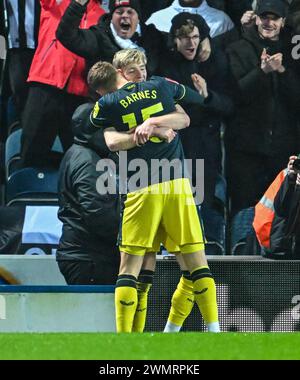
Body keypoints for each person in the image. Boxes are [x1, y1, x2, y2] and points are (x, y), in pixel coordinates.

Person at [89, 60, 220, 333]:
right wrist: (157, 126)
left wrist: (146, 125)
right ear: (122, 72)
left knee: (132, 268)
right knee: (195, 264)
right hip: (177, 184)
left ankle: (128, 340)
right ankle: (212, 331)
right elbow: (187, 114)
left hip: (140, 185)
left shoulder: (107, 104)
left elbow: (109, 139)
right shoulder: (161, 85)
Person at [226, 0, 300, 215]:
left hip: (283, 149)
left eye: (274, 18)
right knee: (244, 208)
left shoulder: (294, 54)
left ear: (283, 21)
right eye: (264, 17)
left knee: (282, 209)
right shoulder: (237, 48)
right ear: (255, 18)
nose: (269, 22)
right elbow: (234, 97)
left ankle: (277, 249)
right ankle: (241, 248)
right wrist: (262, 72)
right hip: (245, 148)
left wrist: (283, 71)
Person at [20, 0, 105, 169]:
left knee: (80, 163)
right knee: (31, 154)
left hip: (80, 96)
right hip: (45, 85)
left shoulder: (102, 16)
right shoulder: (56, 2)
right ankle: (22, 192)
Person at [56, 0, 163, 76]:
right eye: (119, 12)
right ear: (111, 17)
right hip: (107, 104)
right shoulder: (99, 37)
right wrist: (79, 3)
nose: (125, 16)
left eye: (130, 12)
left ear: (138, 18)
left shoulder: (153, 38)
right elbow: (66, 34)